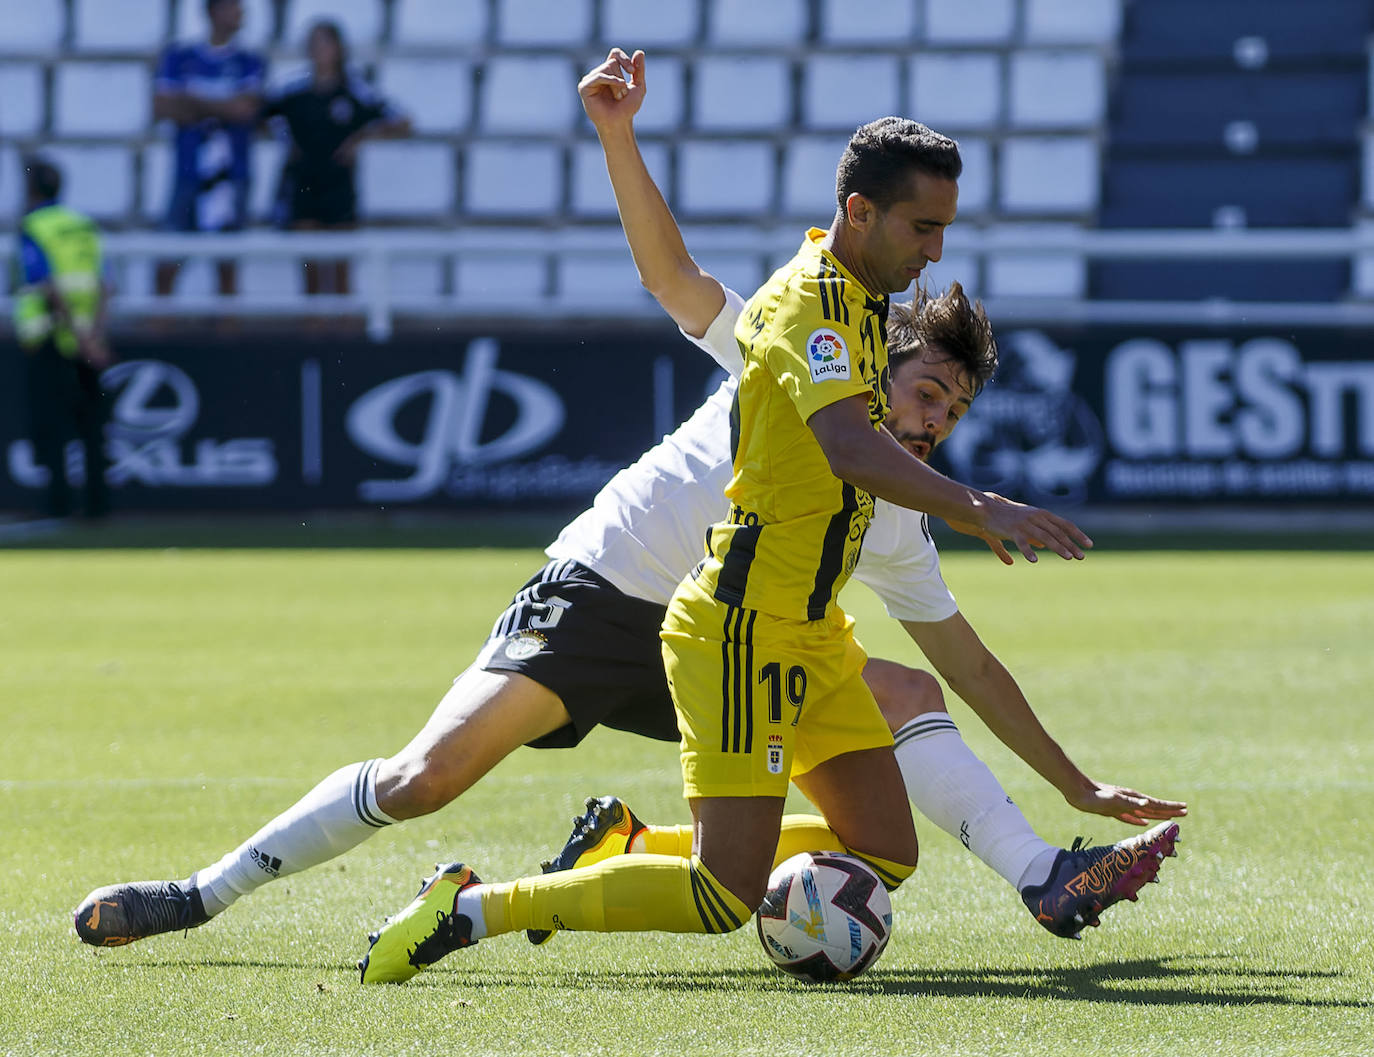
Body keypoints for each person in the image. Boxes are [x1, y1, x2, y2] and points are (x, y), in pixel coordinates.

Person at [73, 51, 1182, 969]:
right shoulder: (792, 342)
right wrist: (617, 134)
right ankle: (198, 893)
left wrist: (1075, 775)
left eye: (955, 405)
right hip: (609, 588)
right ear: (877, 357)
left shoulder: (894, 501)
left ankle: (655, 845)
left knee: (897, 731)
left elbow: (971, 657)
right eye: (928, 390)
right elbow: (672, 280)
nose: (938, 418)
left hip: (735, 631)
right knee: (428, 778)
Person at [263, 19, 411, 296]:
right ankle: (313, 327)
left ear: (339, 48)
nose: (319, 50)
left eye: (325, 42)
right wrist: (285, 141)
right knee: (309, 267)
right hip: (304, 182)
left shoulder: (354, 90)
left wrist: (361, 138)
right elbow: (260, 118)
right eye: (313, 43)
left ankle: (343, 330)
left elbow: (402, 121)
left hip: (339, 183)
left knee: (342, 265)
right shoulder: (293, 91)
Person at [10, 156, 113, 520]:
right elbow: (103, 284)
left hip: (53, 337)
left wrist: (78, 336)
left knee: (51, 427)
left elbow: (48, 286)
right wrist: (95, 337)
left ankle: (59, 509)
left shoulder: (36, 226)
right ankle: (98, 510)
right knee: (92, 429)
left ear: (32, 189)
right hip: (89, 339)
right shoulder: (83, 225)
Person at [152, 0, 266, 298]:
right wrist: (222, 106)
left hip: (233, 171)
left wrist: (191, 100)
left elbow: (246, 109)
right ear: (213, 11)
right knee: (172, 247)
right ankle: (160, 321)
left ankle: (227, 323)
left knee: (227, 254)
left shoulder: (249, 60)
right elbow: (163, 106)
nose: (240, 12)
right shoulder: (180, 55)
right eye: (233, 6)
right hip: (189, 169)